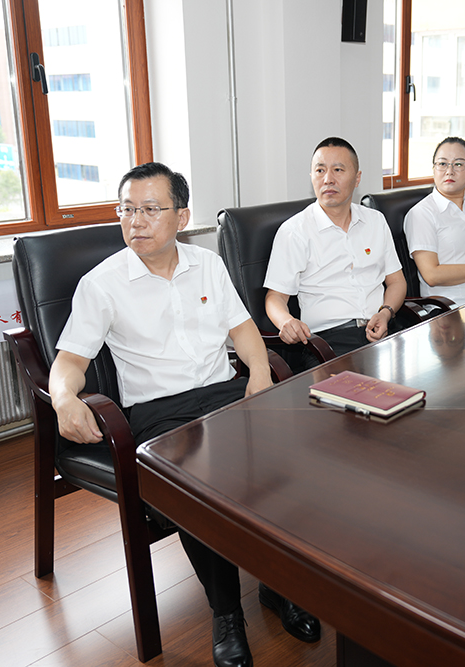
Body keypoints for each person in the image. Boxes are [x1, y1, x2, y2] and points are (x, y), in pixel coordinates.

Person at [49, 162, 319, 667]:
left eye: (150, 209)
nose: (136, 221)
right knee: (198, 484)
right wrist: (64, 398)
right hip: (159, 413)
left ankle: (278, 585)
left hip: (224, 393)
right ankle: (226, 612)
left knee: (293, 455)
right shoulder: (102, 283)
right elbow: (69, 363)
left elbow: (242, 329)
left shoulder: (207, 264)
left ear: (182, 216)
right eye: (127, 209)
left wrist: (260, 375)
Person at [264, 137, 406, 368]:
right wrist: (286, 321)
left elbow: (397, 281)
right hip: (330, 343)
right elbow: (275, 298)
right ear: (312, 176)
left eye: (338, 170)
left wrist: (385, 313)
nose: (328, 179)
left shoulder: (375, 221)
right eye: (320, 170)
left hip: (385, 329)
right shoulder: (294, 231)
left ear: (357, 178)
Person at [404, 136, 465, 305]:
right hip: (451, 307)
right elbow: (432, 275)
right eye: (442, 164)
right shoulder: (422, 213)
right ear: (434, 169)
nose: (449, 171)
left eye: (458, 164)